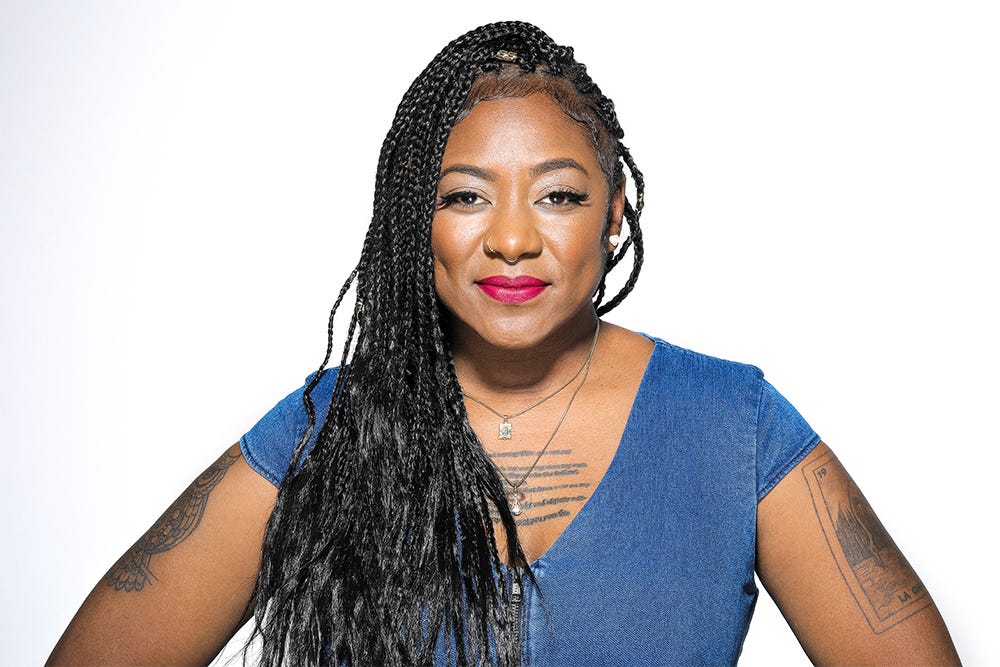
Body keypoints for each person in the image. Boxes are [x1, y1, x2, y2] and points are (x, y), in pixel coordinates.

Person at [47, 21, 960, 666]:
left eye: (558, 195)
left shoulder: (735, 425)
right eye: (465, 196)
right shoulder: (325, 429)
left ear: (614, 212)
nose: (513, 239)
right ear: (416, 221)